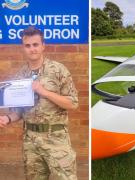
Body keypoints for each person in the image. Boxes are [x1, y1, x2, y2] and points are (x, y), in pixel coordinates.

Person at [0, 26, 78, 180]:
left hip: (56, 140)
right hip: (31, 142)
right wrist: (8, 119)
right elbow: (19, 111)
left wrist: (45, 92)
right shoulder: (20, 76)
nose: (32, 49)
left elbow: (73, 103)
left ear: (43, 46)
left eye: (35, 45)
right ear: (23, 48)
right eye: (27, 45)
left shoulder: (58, 70)